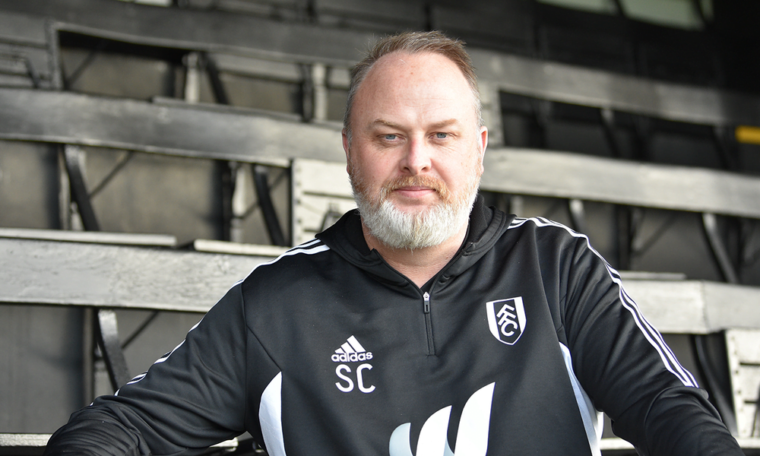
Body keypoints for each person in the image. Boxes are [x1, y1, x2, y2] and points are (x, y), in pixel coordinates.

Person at [45, 31, 742, 456]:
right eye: (389, 137)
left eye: (440, 136)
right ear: (351, 154)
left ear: (478, 151)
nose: (416, 161)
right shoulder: (278, 305)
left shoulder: (557, 268)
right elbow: (121, 430)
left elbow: (667, 408)